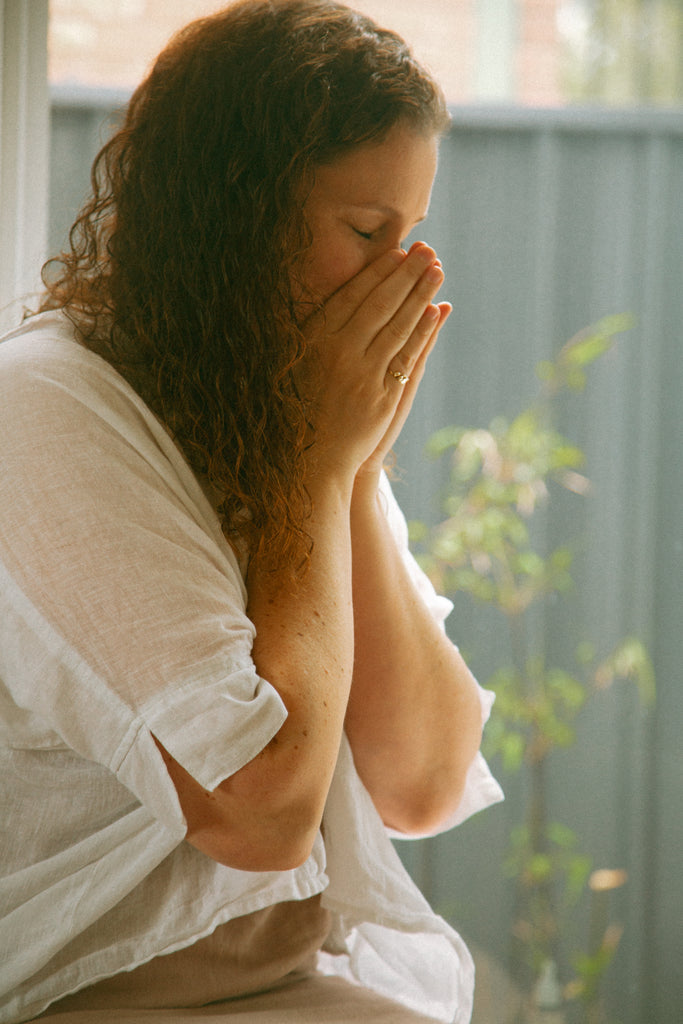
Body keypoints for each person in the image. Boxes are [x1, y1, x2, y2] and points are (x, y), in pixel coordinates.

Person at [0, 2, 503, 1022]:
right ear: (233, 211)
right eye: (367, 232)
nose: (404, 278)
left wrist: (348, 476)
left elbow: (422, 780)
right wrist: (317, 472)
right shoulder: (42, 410)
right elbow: (256, 811)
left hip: (291, 983)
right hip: (94, 993)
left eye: (411, 238)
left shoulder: (271, 416)